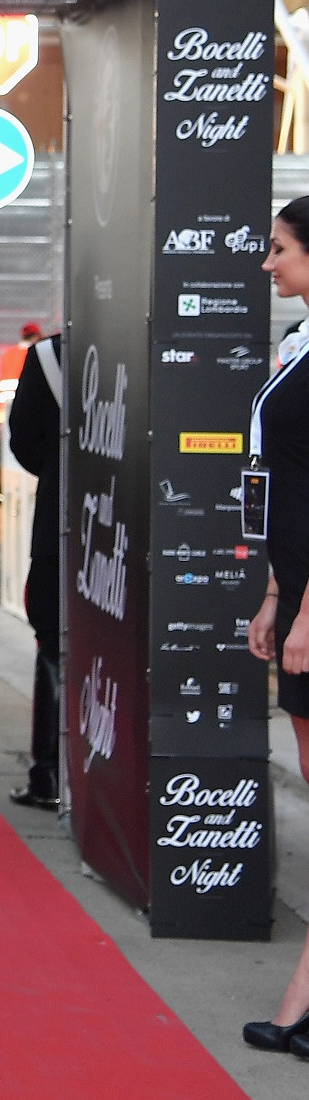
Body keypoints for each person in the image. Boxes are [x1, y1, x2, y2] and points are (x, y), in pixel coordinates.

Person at [243, 199, 309, 1054]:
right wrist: (274, 594)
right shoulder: (299, 343)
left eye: (280, 248)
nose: (267, 262)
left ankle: (302, 993)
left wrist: (306, 609)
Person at [7, 328, 62, 809]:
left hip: (60, 524)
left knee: (53, 640)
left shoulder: (48, 355)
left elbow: (24, 441)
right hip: (135, 523)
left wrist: (61, 467)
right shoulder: (147, 346)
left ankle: (50, 772)